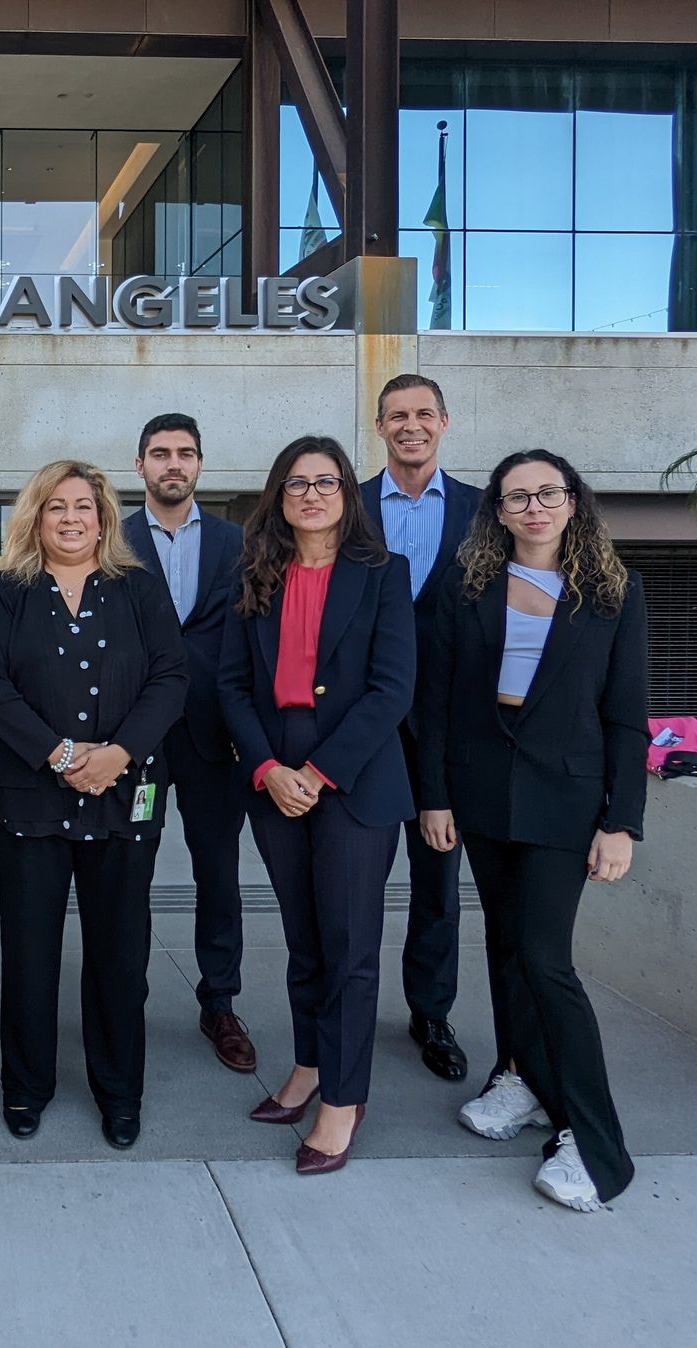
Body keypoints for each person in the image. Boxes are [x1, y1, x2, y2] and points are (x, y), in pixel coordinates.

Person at [418, 449, 646, 1212]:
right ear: (499, 511)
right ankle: (520, 1078)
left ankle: (594, 1141)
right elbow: (439, 701)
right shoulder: (466, 586)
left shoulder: (614, 594)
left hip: (565, 800)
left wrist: (623, 823)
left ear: (572, 502)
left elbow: (625, 720)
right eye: (517, 497)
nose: (534, 508)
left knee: (547, 959)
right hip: (482, 795)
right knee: (506, 946)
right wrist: (436, 796)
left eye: (548, 493)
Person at [0, 460, 187, 1149]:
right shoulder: (6, 591)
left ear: (103, 519)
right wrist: (60, 755)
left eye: (83, 508)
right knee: (30, 954)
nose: (70, 519)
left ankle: (120, 1092)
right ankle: (26, 1088)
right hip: (30, 796)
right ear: (36, 516)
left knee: (120, 957)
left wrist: (117, 754)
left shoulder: (139, 590)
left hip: (124, 798)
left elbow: (171, 676)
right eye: (55, 507)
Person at [217, 435, 415, 1176]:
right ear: (278, 494)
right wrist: (268, 766)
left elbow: (393, 688)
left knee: (349, 948)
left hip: (354, 776)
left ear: (347, 494)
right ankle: (308, 1065)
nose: (310, 493)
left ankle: (344, 1098)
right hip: (274, 775)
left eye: (325, 481)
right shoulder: (256, 573)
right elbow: (231, 686)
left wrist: (318, 771)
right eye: (296, 481)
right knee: (304, 940)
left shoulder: (383, 575)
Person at [360, 374, 482, 1082]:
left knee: (438, 879)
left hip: (449, 723)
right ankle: (352, 1001)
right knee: (357, 879)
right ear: (380, 427)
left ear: (444, 422)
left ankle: (430, 1012)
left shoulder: (482, 510)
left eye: (424, 414)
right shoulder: (349, 510)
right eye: (398, 415)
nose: (412, 426)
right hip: (368, 722)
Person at [123, 413, 253, 1073]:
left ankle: (220, 1002)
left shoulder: (238, 541)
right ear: (140, 464)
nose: (173, 464)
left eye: (185, 454)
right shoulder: (110, 539)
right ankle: (126, 1002)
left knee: (218, 875)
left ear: (200, 464)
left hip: (214, 740)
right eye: (160, 453)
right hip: (137, 743)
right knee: (129, 874)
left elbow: (252, 639)